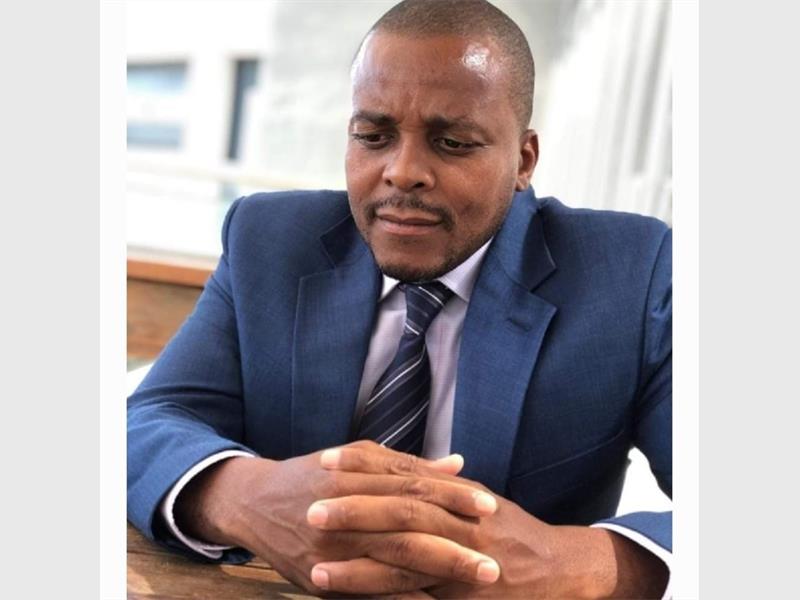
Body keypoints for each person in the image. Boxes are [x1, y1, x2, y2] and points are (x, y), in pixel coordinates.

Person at [127, 0, 672, 597]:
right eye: (373, 136)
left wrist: (568, 563)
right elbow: (147, 421)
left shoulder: (629, 274)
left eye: (453, 142)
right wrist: (245, 497)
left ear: (523, 161)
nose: (403, 171)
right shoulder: (270, 242)